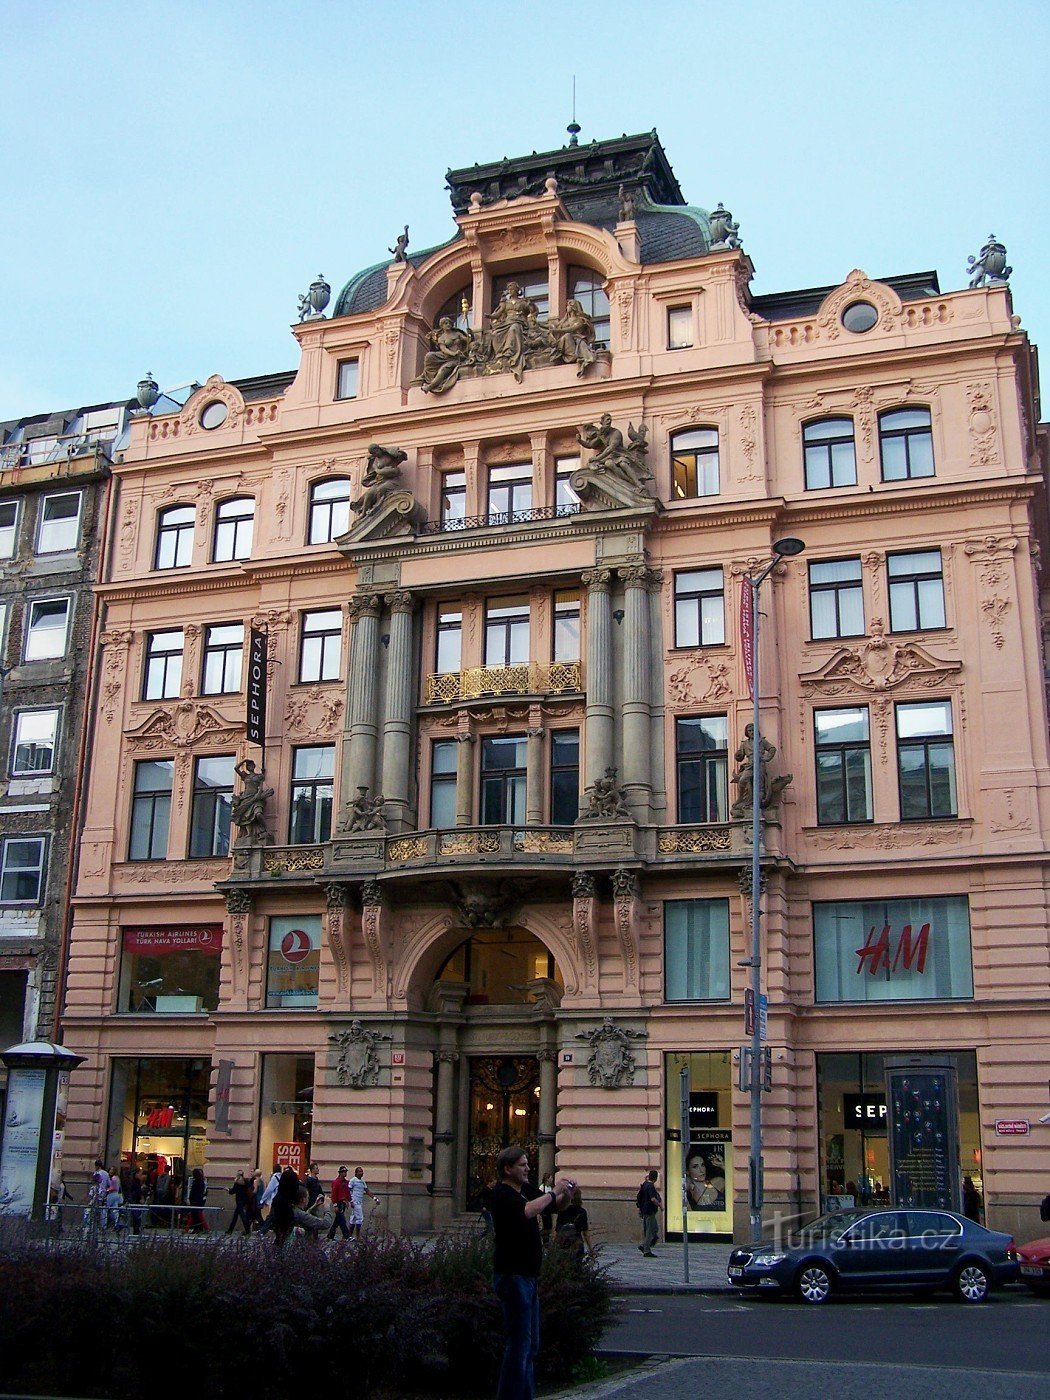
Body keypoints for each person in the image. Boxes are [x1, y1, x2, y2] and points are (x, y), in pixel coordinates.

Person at [489, 1144, 576, 1400]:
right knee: (518, 1346)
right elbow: (528, 1211)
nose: (528, 1168)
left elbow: (555, 1207)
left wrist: (567, 1192)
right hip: (512, 1275)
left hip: (528, 1276)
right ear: (508, 1168)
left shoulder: (525, 1189)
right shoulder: (502, 1194)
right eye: (522, 1165)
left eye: (527, 1164)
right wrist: (553, 1192)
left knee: (529, 1347)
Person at [554, 1186, 593, 1258]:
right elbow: (585, 1233)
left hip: (563, 1242)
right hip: (577, 1243)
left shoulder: (562, 1210)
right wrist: (591, 1249)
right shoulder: (582, 1212)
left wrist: (553, 1246)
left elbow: (557, 1230)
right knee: (577, 1266)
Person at [684, 1146, 726, 1212]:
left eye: (702, 1165)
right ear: (687, 1171)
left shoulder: (717, 1182)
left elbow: (735, 1182)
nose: (701, 1170)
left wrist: (722, 1165)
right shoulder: (687, 1189)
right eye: (695, 1167)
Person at [348, 1165, 380, 1240]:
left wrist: (374, 1198)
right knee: (360, 1218)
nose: (361, 1173)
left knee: (353, 1219)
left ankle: (349, 1236)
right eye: (359, 1171)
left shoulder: (362, 1181)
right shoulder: (353, 1180)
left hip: (360, 1201)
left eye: (362, 1171)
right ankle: (358, 1236)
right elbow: (348, 1191)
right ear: (355, 1173)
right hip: (355, 1202)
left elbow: (367, 1190)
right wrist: (350, 1201)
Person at [637, 1168, 661, 1257]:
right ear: (656, 1178)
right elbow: (653, 1199)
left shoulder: (645, 1184)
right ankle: (646, 1249)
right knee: (650, 1230)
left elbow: (640, 1197)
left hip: (644, 1210)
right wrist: (661, 1206)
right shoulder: (650, 1186)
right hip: (650, 1211)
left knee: (653, 1229)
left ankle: (645, 1246)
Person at [226, 1170, 255, 1235]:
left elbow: (233, 1191)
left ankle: (247, 1231)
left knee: (242, 1216)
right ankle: (230, 1230)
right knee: (235, 1216)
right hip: (245, 1200)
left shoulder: (237, 1182)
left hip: (239, 1201)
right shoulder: (246, 1181)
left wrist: (228, 1190)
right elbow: (252, 1187)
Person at [327, 1165, 352, 1240]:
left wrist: (349, 1200)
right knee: (342, 1220)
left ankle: (330, 1235)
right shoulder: (336, 1182)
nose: (345, 1173)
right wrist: (335, 1205)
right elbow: (334, 1194)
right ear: (340, 1173)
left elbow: (347, 1193)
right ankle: (347, 1235)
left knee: (337, 1220)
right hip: (338, 1202)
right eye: (343, 1172)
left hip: (343, 1202)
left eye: (345, 1172)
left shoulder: (346, 1182)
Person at [186, 1166, 208, 1232]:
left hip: (195, 1201)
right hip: (199, 1200)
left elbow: (194, 1192)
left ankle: (198, 1228)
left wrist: (191, 1199)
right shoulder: (201, 1182)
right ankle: (199, 1228)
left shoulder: (197, 1182)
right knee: (196, 1215)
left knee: (196, 1216)